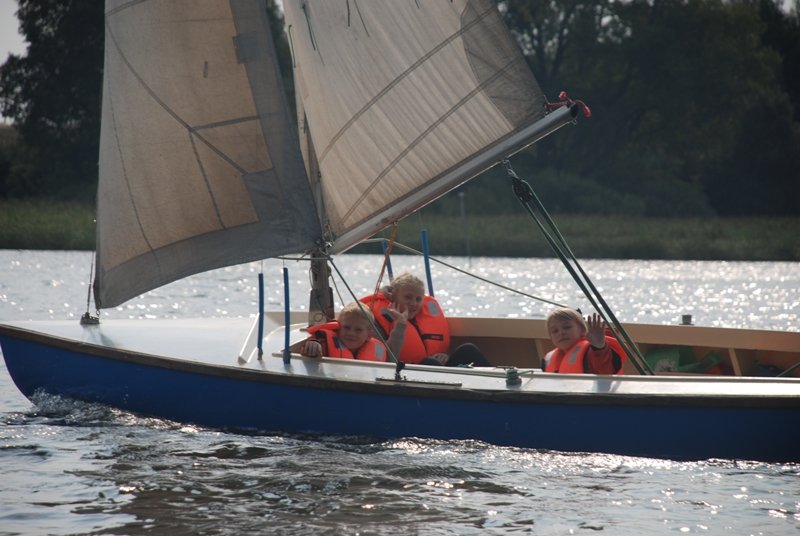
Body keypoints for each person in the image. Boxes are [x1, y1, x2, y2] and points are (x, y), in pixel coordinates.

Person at [359, 272, 490, 367]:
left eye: (418, 299)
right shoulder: (378, 320)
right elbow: (388, 360)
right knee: (430, 363)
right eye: (408, 297)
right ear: (393, 296)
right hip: (404, 374)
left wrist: (445, 356)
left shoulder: (423, 316)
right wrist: (400, 326)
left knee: (468, 349)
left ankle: (496, 387)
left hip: (436, 371)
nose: (413, 303)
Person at [300, 302, 407, 361]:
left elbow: (391, 357)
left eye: (358, 330)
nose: (351, 333)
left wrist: (401, 326)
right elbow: (316, 347)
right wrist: (313, 345)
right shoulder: (325, 344)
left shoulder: (377, 348)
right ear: (339, 327)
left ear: (369, 334)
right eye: (346, 327)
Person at [542, 307, 627, 374]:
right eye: (555, 331)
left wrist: (599, 347)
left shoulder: (590, 353)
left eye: (567, 327)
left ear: (582, 330)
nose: (561, 332)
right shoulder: (547, 360)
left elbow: (605, 371)